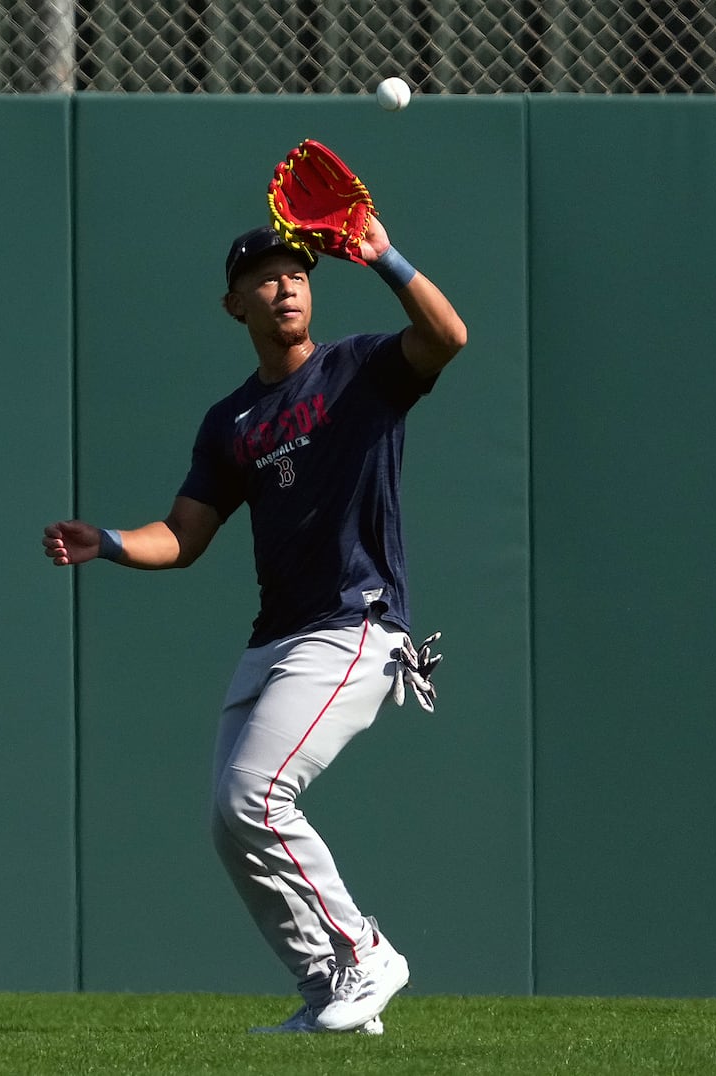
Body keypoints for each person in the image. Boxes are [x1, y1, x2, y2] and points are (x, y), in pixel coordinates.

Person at [42, 212, 466, 1034]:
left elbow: (447, 336)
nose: (286, 286)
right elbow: (185, 536)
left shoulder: (361, 369)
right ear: (236, 304)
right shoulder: (231, 421)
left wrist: (383, 255)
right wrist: (112, 542)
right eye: (267, 276)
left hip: (356, 624)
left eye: (299, 273)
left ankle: (366, 953)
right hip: (276, 637)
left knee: (255, 796)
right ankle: (328, 990)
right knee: (229, 820)